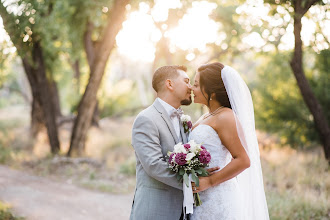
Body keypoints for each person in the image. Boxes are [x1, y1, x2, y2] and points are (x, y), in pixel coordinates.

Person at [189, 62, 269, 219]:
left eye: (197, 85)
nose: (192, 88)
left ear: (211, 92)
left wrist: (210, 181)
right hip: (202, 197)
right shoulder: (207, 116)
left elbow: (244, 160)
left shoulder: (226, 116)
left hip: (218, 198)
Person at [130, 65, 201, 220]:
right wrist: (194, 183)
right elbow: (154, 165)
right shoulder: (146, 119)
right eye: (186, 81)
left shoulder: (185, 119)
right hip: (155, 210)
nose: (191, 87)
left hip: (184, 211)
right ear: (170, 84)